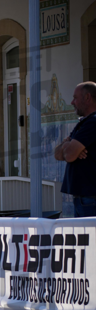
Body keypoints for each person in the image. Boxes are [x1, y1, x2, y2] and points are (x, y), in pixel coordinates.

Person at [54, 81, 96, 217]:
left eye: (75, 98)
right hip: (83, 198)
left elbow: (69, 155)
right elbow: (58, 154)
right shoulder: (83, 123)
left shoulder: (92, 122)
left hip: (90, 198)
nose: (72, 102)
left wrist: (69, 145)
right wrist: (70, 144)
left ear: (88, 97)